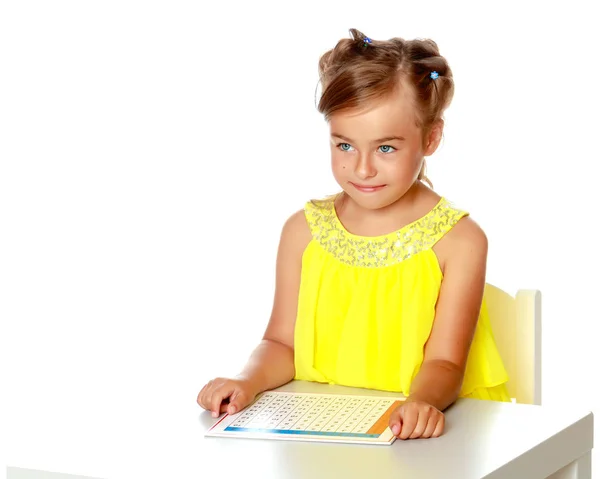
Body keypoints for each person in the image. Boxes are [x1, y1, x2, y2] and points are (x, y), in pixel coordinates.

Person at [197, 28, 510, 440]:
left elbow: (446, 364)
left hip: (415, 438)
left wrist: (421, 404)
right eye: (344, 146)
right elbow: (280, 344)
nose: (361, 169)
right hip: (321, 431)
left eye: (386, 148)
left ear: (430, 138)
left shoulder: (460, 241)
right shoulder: (302, 232)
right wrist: (246, 381)